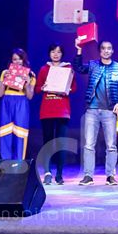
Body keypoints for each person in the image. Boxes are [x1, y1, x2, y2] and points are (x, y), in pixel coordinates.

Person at [73, 39, 118, 186]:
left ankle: (110, 176)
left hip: (109, 111)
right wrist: (79, 50)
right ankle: (88, 176)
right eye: (103, 48)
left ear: (113, 51)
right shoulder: (93, 65)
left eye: (109, 48)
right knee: (89, 145)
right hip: (92, 110)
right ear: (100, 51)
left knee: (111, 146)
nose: (106, 51)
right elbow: (78, 67)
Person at [35, 43, 77, 185]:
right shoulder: (44, 69)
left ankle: (59, 174)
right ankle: (47, 172)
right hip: (47, 111)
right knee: (47, 142)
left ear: (62, 54)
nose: (56, 54)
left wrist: (67, 88)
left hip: (62, 111)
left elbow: (74, 87)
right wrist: (43, 87)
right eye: (53, 51)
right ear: (49, 53)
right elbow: (37, 89)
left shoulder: (68, 68)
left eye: (58, 52)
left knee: (60, 143)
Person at [0, 49, 36, 160]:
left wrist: (27, 83)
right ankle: (6, 162)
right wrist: (3, 80)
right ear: (11, 61)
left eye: (20, 59)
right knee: (5, 132)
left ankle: (19, 163)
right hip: (7, 103)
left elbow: (30, 96)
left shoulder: (31, 74)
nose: (17, 61)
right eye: (15, 59)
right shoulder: (5, 72)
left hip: (21, 103)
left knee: (20, 134)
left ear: (24, 60)